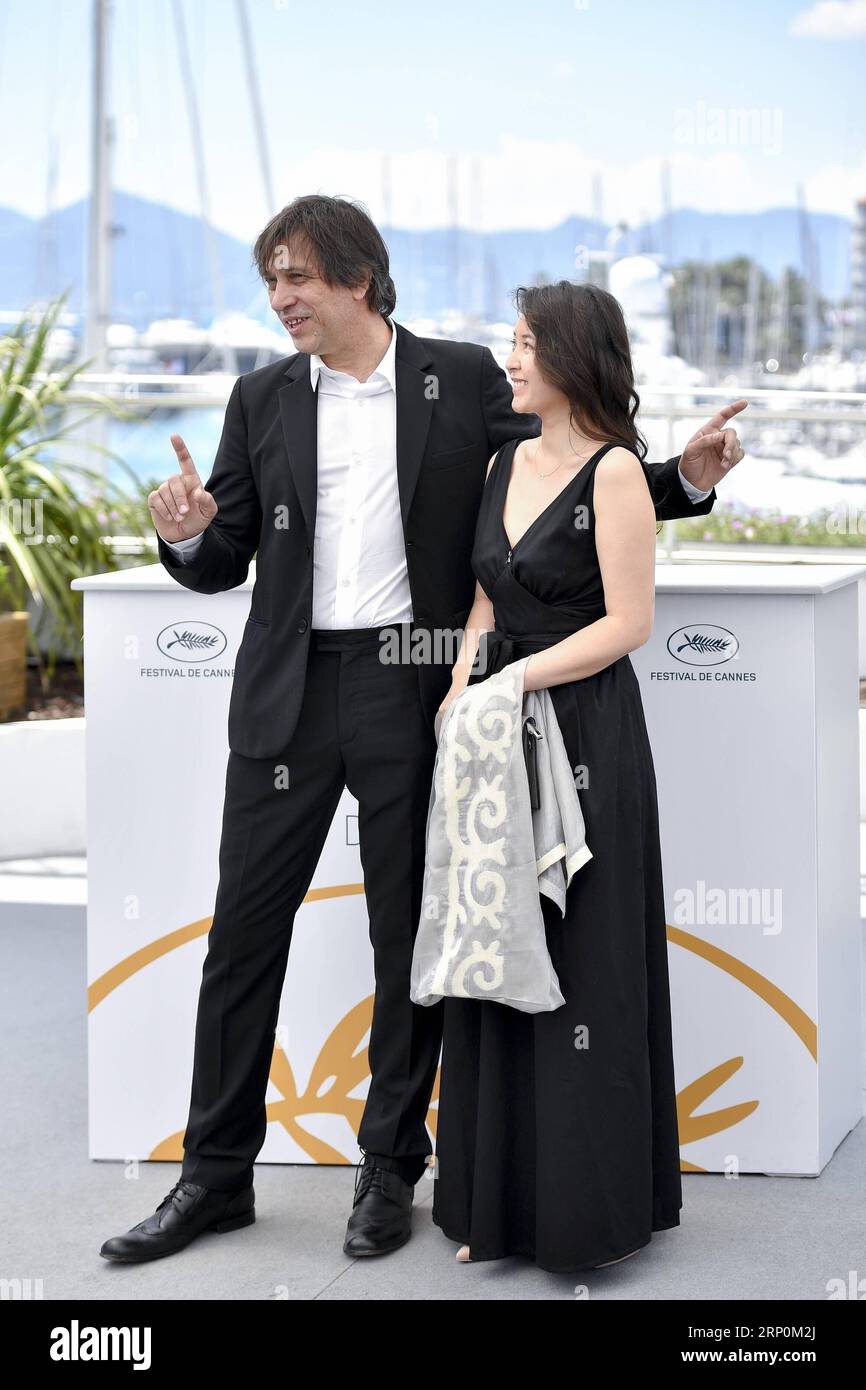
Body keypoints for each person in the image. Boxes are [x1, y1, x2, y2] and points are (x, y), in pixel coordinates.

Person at [99, 195, 745, 1265]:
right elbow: (225, 556)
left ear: (358, 278)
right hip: (286, 694)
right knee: (240, 937)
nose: (279, 299)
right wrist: (184, 539)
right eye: (270, 279)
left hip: (410, 689)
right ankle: (212, 1179)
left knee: (409, 943)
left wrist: (678, 479)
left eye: (297, 276)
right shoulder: (257, 397)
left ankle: (388, 1170)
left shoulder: (459, 379)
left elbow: (574, 466)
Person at [430, 280, 718, 1273]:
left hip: (584, 733)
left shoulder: (618, 475)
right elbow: (483, 590)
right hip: (492, 736)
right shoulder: (503, 458)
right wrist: (464, 685)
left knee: (581, 965)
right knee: (494, 954)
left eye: (522, 343)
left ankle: (583, 1217)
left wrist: (508, 679)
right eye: (507, 343)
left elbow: (626, 625)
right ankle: (492, 1206)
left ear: (571, 353)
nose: (508, 360)